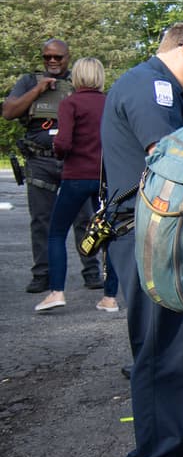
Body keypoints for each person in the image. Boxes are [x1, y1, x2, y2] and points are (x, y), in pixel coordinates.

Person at [101, 23, 183, 457]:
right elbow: (172, 159)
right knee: (162, 347)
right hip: (149, 235)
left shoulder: (152, 84)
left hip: (154, 232)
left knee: (181, 345)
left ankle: (171, 442)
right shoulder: (154, 86)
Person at [2, 39, 103, 294]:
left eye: (58, 57)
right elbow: (9, 112)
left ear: (68, 57)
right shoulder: (29, 81)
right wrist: (38, 89)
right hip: (40, 160)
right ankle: (42, 275)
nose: (53, 61)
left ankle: (91, 271)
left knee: (86, 219)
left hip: (75, 160)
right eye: (47, 57)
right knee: (41, 221)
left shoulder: (79, 81)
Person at [36, 57, 119, 313]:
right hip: (106, 178)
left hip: (75, 177)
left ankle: (57, 292)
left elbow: (62, 143)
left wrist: (59, 153)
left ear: (77, 77)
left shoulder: (70, 103)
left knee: (57, 233)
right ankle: (110, 298)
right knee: (106, 235)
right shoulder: (110, 104)